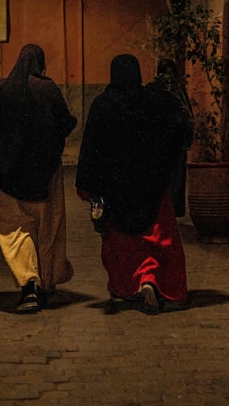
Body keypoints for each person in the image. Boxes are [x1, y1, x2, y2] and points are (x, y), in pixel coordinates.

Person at [75, 54, 189, 313]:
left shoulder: (103, 105)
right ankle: (152, 281)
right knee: (157, 240)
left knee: (122, 245)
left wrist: (89, 186)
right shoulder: (155, 102)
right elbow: (177, 130)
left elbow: (91, 148)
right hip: (152, 187)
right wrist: (164, 169)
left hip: (116, 191)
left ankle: (126, 287)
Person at [0, 44, 77, 314]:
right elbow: (66, 122)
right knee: (48, 229)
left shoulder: (0, 90)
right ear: (40, 64)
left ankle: (28, 287)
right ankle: (47, 282)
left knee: (15, 232)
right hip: (47, 175)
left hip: (9, 176)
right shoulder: (48, 89)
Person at [145, 58, 194, 216]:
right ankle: (171, 211)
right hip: (175, 142)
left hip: (159, 143)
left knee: (162, 178)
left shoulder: (152, 88)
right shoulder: (177, 89)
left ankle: (162, 211)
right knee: (175, 179)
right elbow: (187, 116)